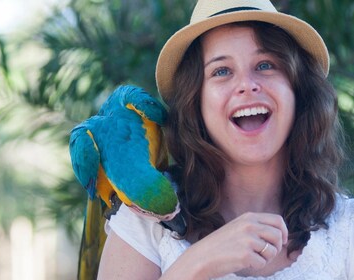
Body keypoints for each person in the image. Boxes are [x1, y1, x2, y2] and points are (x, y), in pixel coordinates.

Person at [97, 0, 354, 279]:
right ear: (196, 102)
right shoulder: (146, 220)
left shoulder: (347, 229)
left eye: (266, 65)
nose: (246, 84)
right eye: (221, 71)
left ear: (298, 91)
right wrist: (198, 262)